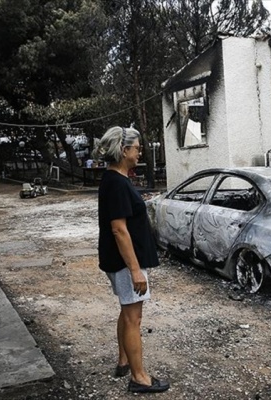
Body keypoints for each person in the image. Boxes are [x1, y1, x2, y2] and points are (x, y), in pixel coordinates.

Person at [96, 126, 170, 394]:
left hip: (123, 262)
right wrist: (135, 270)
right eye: (137, 147)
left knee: (127, 311)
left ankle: (124, 361)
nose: (139, 152)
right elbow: (119, 229)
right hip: (126, 263)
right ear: (124, 150)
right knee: (133, 317)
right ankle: (139, 378)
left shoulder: (116, 179)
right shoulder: (116, 183)